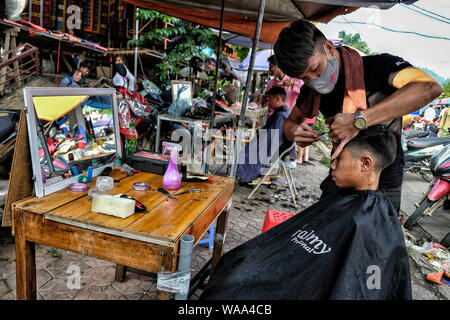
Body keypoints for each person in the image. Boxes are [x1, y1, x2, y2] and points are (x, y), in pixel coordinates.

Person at [200, 127, 412, 300]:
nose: (333, 165)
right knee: (233, 265)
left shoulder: (370, 222)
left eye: (340, 159)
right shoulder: (341, 202)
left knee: (232, 287)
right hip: (289, 277)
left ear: (365, 163)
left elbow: (356, 287)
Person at [273, 19, 442, 215]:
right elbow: (291, 122)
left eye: (314, 69)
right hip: (340, 176)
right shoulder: (311, 90)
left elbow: (429, 88)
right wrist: (294, 131)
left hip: (382, 180)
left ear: (328, 48)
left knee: (374, 239)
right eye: (303, 78)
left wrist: (358, 120)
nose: (313, 80)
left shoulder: (379, 67)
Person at [236, 86, 296, 189]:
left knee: (248, 152)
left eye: (270, 98)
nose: (268, 102)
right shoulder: (282, 113)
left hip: (277, 149)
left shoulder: (281, 116)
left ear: (277, 98)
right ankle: (245, 176)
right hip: (275, 145)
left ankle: (246, 177)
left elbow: (273, 140)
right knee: (248, 149)